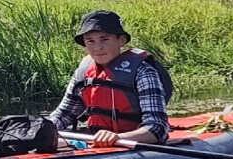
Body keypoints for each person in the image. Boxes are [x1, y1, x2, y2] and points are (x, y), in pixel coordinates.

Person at [49, 10, 172, 147]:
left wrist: (117, 137)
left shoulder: (143, 71)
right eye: (90, 41)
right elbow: (63, 115)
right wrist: (39, 128)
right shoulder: (83, 72)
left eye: (105, 39)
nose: (98, 47)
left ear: (121, 40)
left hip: (130, 140)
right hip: (95, 140)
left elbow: (157, 129)